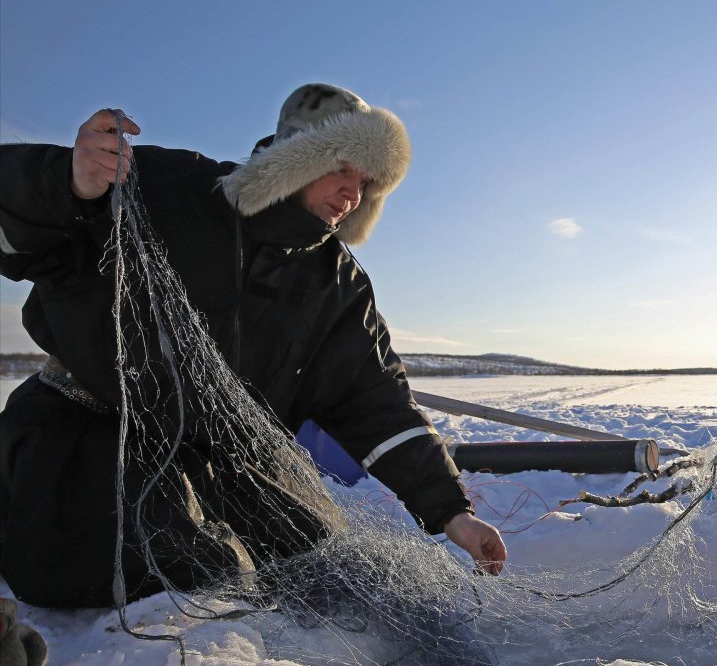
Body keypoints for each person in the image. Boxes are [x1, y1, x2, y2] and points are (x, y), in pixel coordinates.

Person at [0, 84, 507, 609]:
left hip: (216, 458)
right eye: (342, 169)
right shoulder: (165, 188)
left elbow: (374, 399)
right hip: (88, 435)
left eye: (366, 181)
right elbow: (21, 232)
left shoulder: (337, 283)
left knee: (316, 556)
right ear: (296, 158)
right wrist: (69, 185)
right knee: (194, 571)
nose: (353, 193)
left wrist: (453, 513)